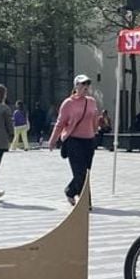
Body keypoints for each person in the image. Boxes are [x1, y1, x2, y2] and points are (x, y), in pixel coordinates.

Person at [49, 75, 101, 206]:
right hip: (73, 140)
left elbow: (95, 118)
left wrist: (96, 131)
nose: (86, 87)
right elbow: (60, 123)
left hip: (89, 140)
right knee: (80, 172)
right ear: (76, 86)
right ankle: (86, 202)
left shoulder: (91, 101)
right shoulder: (68, 103)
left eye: (87, 84)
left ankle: (71, 191)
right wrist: (53, 140)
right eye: (83, 84)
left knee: (86, 172)